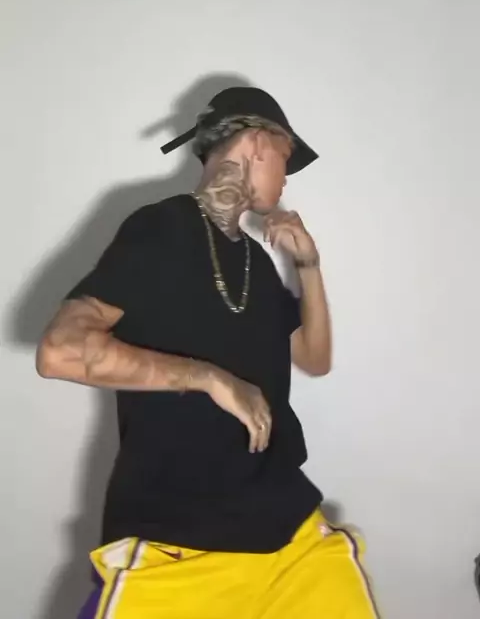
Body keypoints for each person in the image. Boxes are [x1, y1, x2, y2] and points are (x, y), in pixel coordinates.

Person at [37, 87, 380, 618]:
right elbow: (60, 351)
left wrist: (308, 265)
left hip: (290, 532)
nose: (287, 180)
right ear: (261, 143)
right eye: (286, 159)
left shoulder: (256, 264)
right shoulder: (161, 226)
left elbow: (316, 359)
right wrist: (209, 377)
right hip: (178, 539)